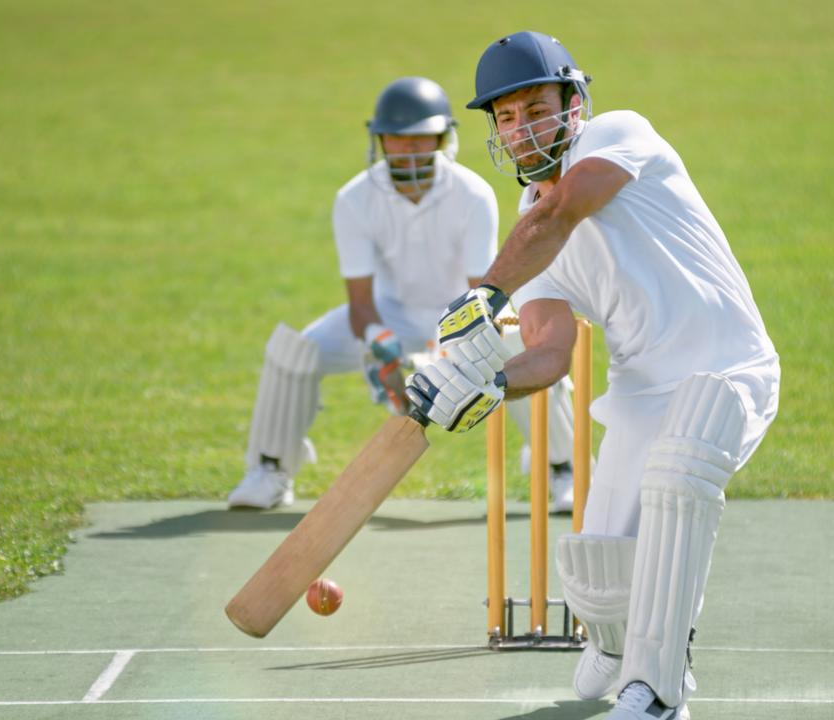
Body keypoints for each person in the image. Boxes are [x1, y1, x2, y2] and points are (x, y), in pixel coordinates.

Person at [406, 32, 780, 720]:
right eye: (507, 117)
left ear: (573, 104)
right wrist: (487, 386)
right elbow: (549, 352)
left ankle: (659, 690)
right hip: (641, 394)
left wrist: (484, 295)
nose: (523, 128)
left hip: (728, 368)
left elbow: (565, 210)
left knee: (679, 479)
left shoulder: (616, 136)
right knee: (599, 566)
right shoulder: (530, 234)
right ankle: (615, 637)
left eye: (536, 108)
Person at [228, 76, 578, 511]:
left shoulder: (472, 194)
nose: (409, 150)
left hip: (461, 316)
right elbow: (359, 303)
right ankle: (269, 469)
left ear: (442, 138)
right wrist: (380, 344)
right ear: (380, 141)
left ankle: (564, 469)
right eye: (398, 139)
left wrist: (438, 355)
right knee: (295, 350)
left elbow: (481, 293)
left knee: (523, 344)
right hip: (388, 318)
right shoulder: (354, 199)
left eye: (420, 139)